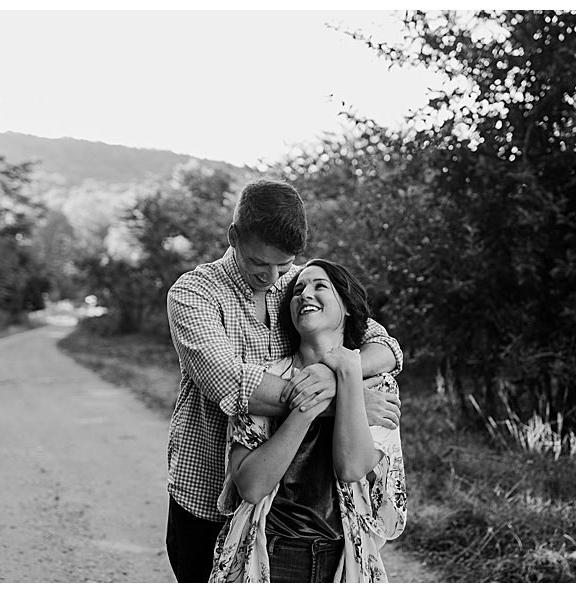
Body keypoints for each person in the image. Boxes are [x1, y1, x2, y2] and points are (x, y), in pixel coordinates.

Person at [165, 180, 404, 582]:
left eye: (284, 264)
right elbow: (232, 384)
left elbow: (384, 345)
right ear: (234, 237)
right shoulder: (194, 293)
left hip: (280, 514)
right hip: (207, 494)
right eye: (260, 263)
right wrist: (348, 401)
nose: (273, 276)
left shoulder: (297, 285)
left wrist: (340, 379)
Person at [208, 259, 407, 582]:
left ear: (347, 307)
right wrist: (311, 402)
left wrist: (346, 372)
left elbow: (352, 468)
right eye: (298, 290)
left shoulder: (376, 384)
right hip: (272, 550)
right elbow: (252, 487)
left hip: (345, 554)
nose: (304, 294)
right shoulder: (266, 380)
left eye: (320, 286)